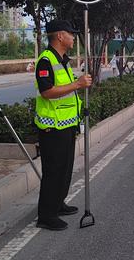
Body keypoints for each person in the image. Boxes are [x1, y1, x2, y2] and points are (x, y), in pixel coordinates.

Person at [34, 19, 92, 231]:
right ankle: (46, 216)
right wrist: (77, 84)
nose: (73, 37)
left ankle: (58, 204)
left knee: (65, 169)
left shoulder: (63, 60)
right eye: (70, 34)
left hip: (66, 125)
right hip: (52, 127)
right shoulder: (46, 61)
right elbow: (47, 92)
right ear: (60, 36)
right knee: (54, 171)